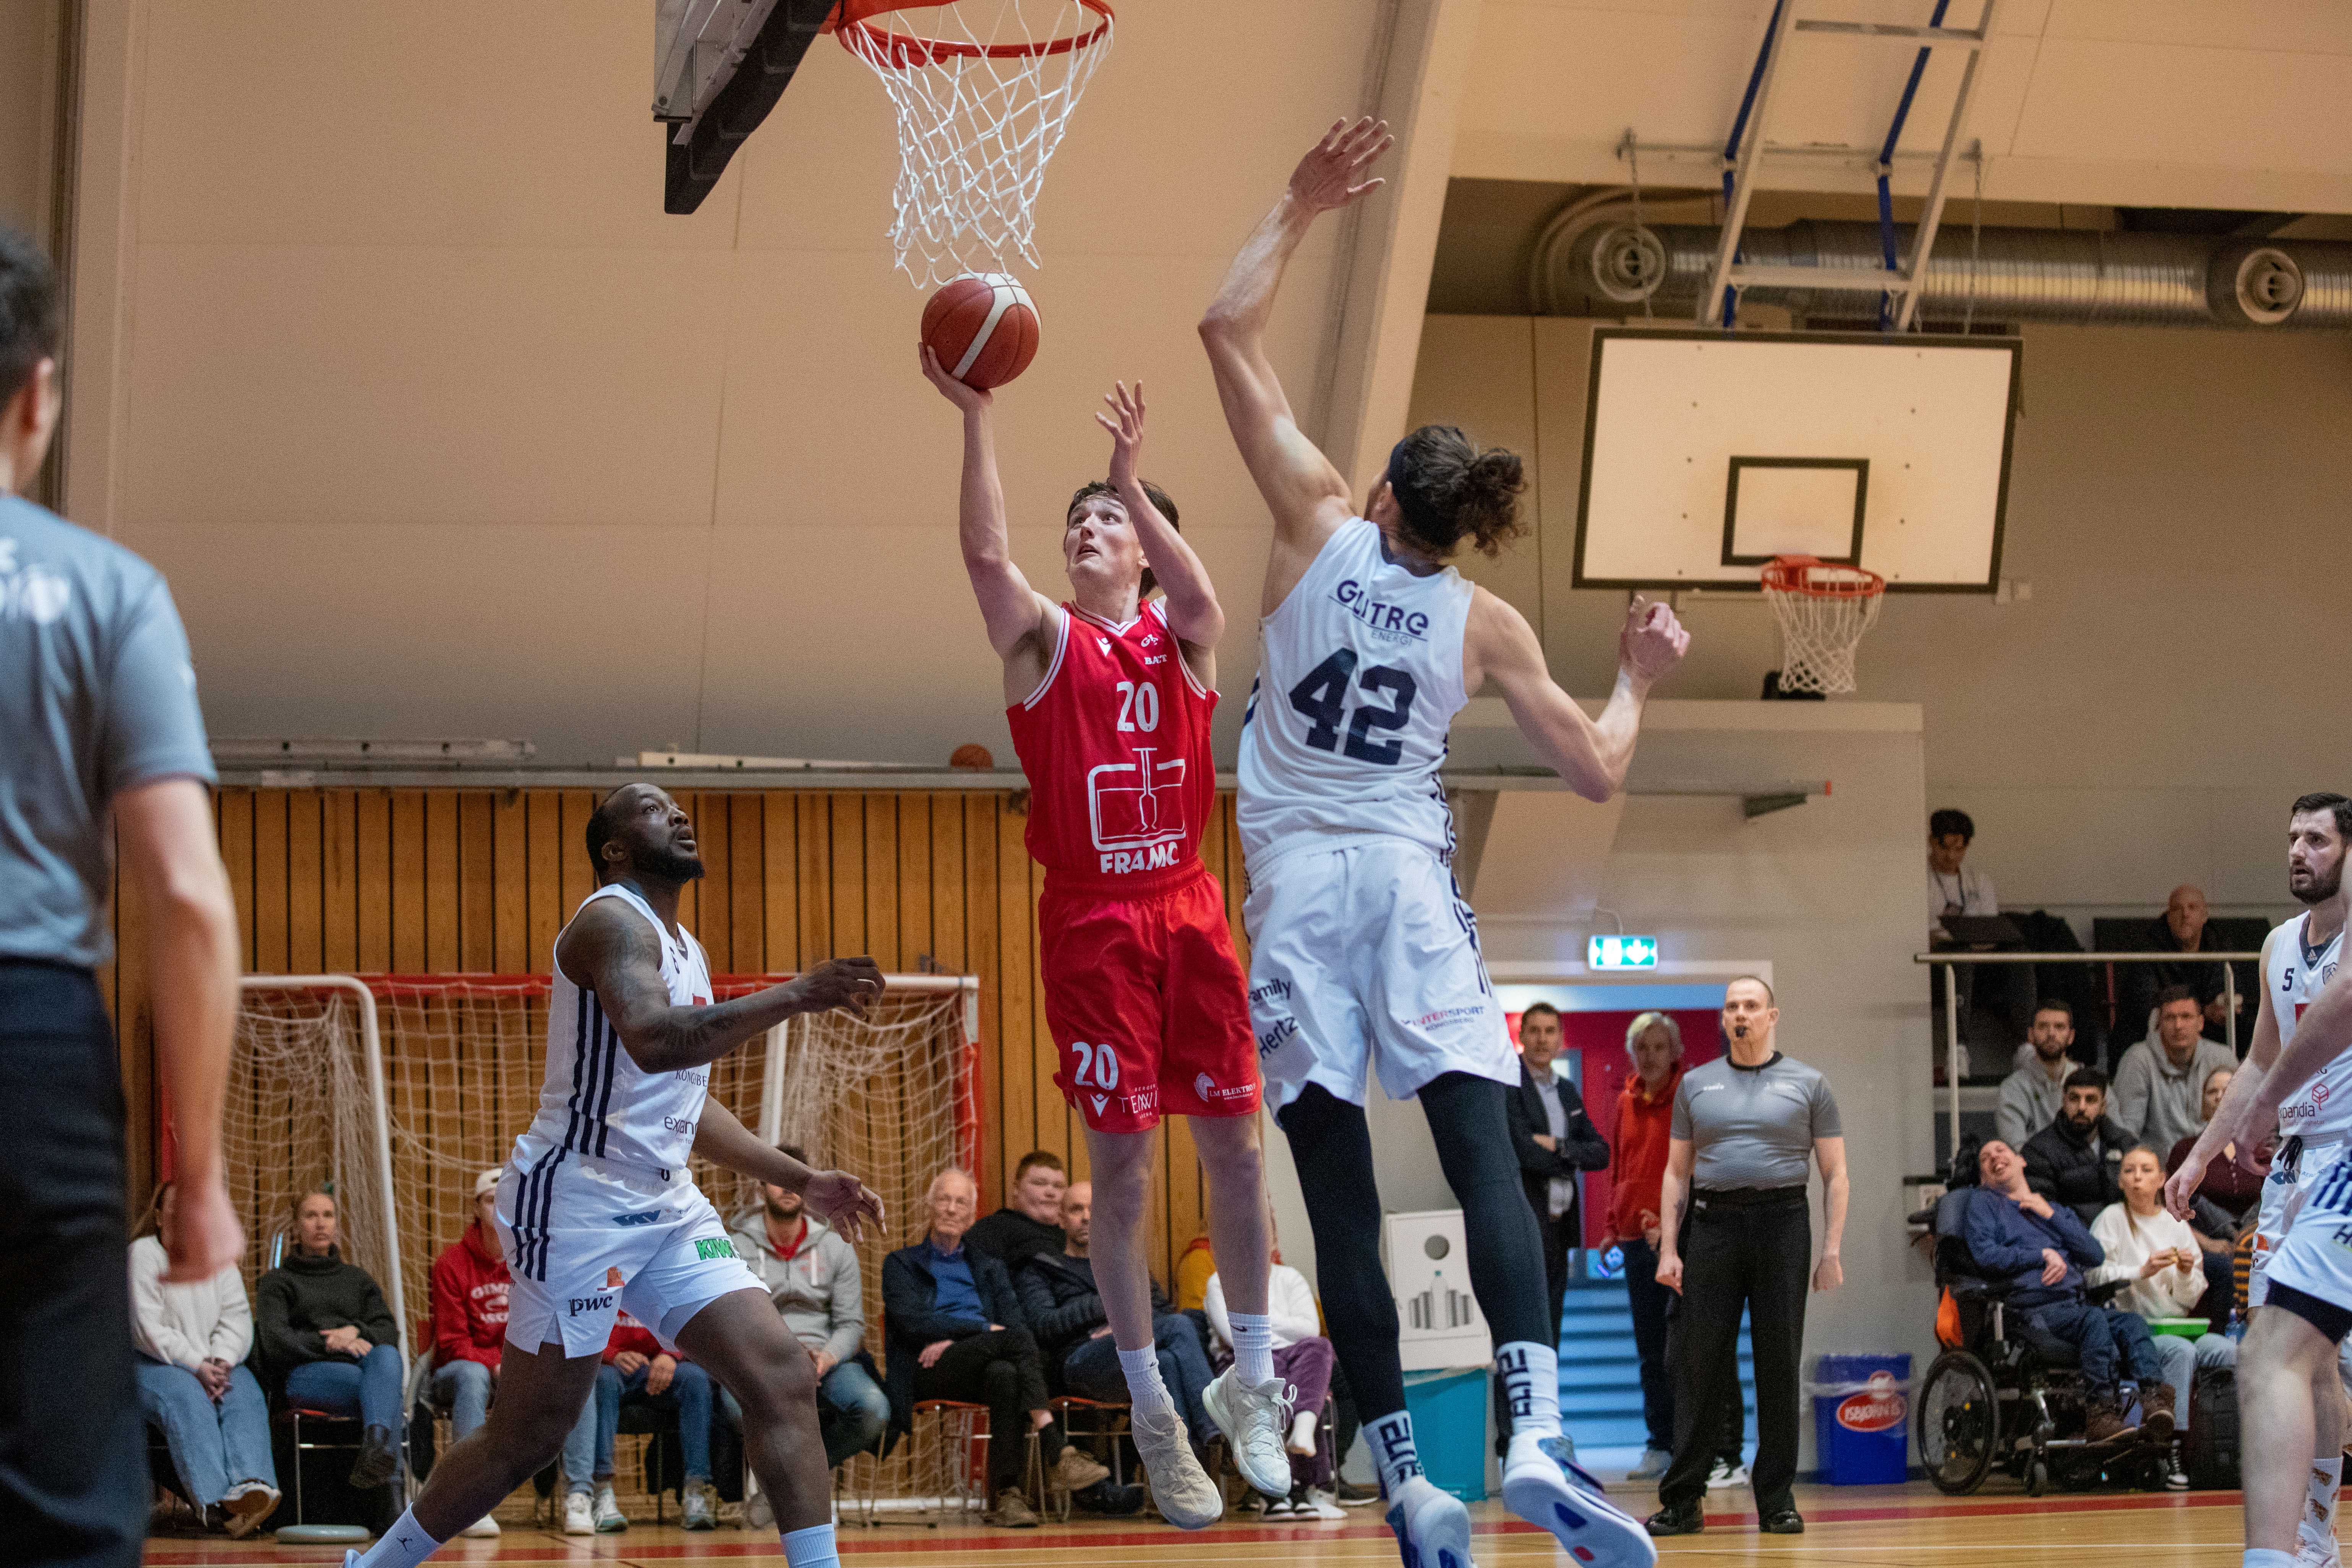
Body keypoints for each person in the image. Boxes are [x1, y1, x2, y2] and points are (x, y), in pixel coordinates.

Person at [1201, 115, 1682, 1568]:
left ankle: (1404, 1474)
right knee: (1481, 1149)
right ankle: (1534, 1435)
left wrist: (1298, 201)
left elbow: (1226, 330)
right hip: (1408, 884)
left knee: (1333, 1186)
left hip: (1293, 895)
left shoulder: (1311, 519)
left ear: (1379, 495)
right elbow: (1596, 771)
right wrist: (1636, 680)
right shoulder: (1486, 623)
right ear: (1457, 522)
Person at [920, 345, 1283, 1529]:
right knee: (1121, 1169)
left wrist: (1130, 479)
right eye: (1074, 515)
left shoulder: (1183, 637)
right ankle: (1151, 1408)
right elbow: (983, 553)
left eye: (1105, 518)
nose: (1084, 526)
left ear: (1138, 539)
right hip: (1089, 921)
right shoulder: (1042, 643)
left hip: (1185, 904)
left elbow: (1208, 600)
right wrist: (978, 418)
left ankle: (1257, 1377)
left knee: (1234, 1144)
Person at [343, 782, 889, 1568]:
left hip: (666, 1200)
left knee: (778, 1373)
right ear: (615, 848)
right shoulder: (608, 920)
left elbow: (684, 1105)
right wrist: (798, 993)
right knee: (530, 1431)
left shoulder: (686, 947)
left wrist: (799, 1176)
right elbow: (656, 1040)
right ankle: (377, 1565)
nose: (679, 814)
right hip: (577, 1199)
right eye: (655, 808)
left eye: (678, 806)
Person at [0, 223, 245, 1568]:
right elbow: (190, 903)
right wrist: (193, 1175)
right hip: (34, 1048)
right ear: (39, 392)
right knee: (62, 1490)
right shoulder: (106, 592)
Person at [2166, 793, 2352, 1568]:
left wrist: (2267, 1101)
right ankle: (2310, 1529)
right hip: (2296, 1163)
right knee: (2304, 1357)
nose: (2296, 850)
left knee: (2268, 1351)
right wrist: (2201, 1152)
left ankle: (2272, 1555)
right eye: (2289, 837)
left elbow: (2342, 1004)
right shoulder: (2278, 943)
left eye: (2314, 837)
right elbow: (2254, 1058)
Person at [1647, 978, 1846, 1538]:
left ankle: (1777, 1499)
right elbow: (1674, 1172)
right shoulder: (1696, 1083)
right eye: (1731, 1005)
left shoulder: (1808, 1083)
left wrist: (1830, 1248)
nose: (1740, 1013)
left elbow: (1835, 1173)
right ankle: (1683, 1499)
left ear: (1771, 1015)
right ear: (1723, 1017)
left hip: (1783, 1222)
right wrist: (1668, 1246)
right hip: (1710, 1226)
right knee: (1697, 1364)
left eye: (1750, 1005)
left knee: (1777, 1362)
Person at [882, 1169, 1110, 1527]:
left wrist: (966, 1338)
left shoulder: (988, 1267)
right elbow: (915, 1324)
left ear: (972, 1214)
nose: (951, 1209)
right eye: (944, 1199)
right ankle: (1056, 1447)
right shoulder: (901, 1264)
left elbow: (1015, 1322)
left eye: (961, 1202)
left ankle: (1007, 1495)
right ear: (929, 1205)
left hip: (982, 1362)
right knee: (1015, 1342)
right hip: (928, 1367)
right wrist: (981, 1329)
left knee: (1005, 1372)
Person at [1605, 1014, 1743, 1487]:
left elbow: (1701, 1168)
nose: (1649, 1056)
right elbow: (1620, 1169)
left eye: (1659, 1047)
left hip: (1682, 1242)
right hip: (1632, 1243)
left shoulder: (1692, 1096)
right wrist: (1611, 1224)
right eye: (1642, 1047)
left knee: (1702, 1345)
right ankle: (1660, 1443)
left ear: (1674, 1051)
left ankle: (1726, 1452)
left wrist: (1672, 1228)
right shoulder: (1624, 1101)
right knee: (1651, 1351)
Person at [1967, 1140, 2172, 1444]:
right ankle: (2100, 1414)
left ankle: (2155, 1402)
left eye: (2000, 1151)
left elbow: (2094, 1255)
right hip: (2032, 1309)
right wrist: (2042, 1254)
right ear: (1983, 1177)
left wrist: (2050, 1214)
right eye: (1985, 1157)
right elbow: (1985, 1255)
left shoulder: (2052, 1208)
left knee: (2131, 1324)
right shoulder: (1982, 1204)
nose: (1994, 1157)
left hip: (2074, 1305)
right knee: (2094, 1321)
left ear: (2021, 1161)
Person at [429, 1167, 587, 1539]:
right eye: (490, 1199)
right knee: (472, 1374)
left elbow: (547, 1327)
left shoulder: (532, 1261)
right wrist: (495, 1363)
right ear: (477, 1208)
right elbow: (452, 1341)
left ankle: (580, 1495)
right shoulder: (451, 1264)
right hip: (461, 1372)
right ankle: (469, 1502)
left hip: (517, 1368)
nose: (501, 1206)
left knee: (577, 1372)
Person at [1012, 1182, 1185, 1511]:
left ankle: (1171, 1484)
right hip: (1082, 1363)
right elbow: (1044, 1325)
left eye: (1094, 1209)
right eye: (1076, 1209)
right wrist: (1113, 1306)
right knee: (1178, 1329)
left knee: (1173, 1350)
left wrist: (1121, 1327)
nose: (1087, 1217)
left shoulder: (1129, 1265)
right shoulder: (1040, 1268)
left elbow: (1161, 1309)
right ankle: (1206, 1443)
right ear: (1061, 1218)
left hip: (1138, 1362)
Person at [727, 1147, 889, 1475]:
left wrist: (825, 1359)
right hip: (761, 1361)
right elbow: (734, 1321)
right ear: (762, 1187)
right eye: (777, 1179)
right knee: (734, 1408)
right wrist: (777, 1356)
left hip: (825, 1362)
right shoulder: (735, 1246)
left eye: (795, 1179)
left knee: (874, 1408)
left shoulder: (836, 1246)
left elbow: (851, 1324)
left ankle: (797, 1481)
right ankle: (796, 1489)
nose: (787, 1187)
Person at [128, 1181, 278, 1537]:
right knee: (185, 1395)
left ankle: (251, 1492)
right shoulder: (142, 1254)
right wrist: (197, 1365)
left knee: (245, 1391)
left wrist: (222, 1361)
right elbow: (146, 1328)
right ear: (160, 1218)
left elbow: (237, 1316)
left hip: (214, 1365)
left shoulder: (217, 1258)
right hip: (150, 1364)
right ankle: (216, 1506)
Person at [2091, 1145, 2237, 1487]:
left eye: (2145, 1169)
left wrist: (2186, 1272)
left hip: (2177, 1323)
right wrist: (2140, 1271)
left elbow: (2189, 1296)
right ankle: (2170, 1449)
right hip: (2133, 1329)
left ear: (2161, 1179)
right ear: (2120, 1180)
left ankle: (2231, 1446)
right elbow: (2092, 1277)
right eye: (2129, 1170)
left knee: (2230, 1351)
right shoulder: (2111, 1218)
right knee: (2180, 1352)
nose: (2137, 1176)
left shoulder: (2175, 1224)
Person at [256, 1190, 405, 1490]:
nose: (320, 1223)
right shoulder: (277, 1282)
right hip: (307, 1374)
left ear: (337, 1224)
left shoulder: (357, 1279)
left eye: (328, 1215)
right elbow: (275, 1340)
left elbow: (388, 1328)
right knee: (386, 1393)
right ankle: (391, 1493)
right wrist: (327, 1343)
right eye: (311, 1216)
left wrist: (356, 1331)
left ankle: (375, 1447)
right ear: (297, 1227)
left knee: (388, 1355)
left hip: (364, 1368)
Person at [1203, 1219, 1344, 1519]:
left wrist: (1258, 1322)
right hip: (1239, 1362)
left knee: (1319, 1347)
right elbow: (1235, 1337)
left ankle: (1302, 1435)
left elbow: (1310, 1328)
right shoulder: (1219, 1281)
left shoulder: (1290, 1277)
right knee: (1273, 1367)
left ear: (1273, 1241)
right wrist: (1283, 1327)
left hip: (1294, 1357)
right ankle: (1286, 1490)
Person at [1506, 1001, 1610, 1374]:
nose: (1542, 1038)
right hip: (1525, 1220)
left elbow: (1600, 1152)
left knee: (1552, 1327)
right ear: (1521, 1036)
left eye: (1550, 1031)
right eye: (1534, 1030)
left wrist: (1559, 1145)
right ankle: (1513, 1429)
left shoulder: (1566, 1090)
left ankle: (1546, 1412)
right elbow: (1523, 1151)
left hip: (1559, 1224)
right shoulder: (1508, 1085)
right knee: (1520, 1328)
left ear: (1561, 1038)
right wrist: (1569, 1153)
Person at [593, 1311, 720, 1528]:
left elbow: (686, 1322)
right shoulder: (595, 1280)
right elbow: (579, 1330)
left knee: (696, 1378)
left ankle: (696, 1491)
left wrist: (670, 1354)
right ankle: (602, 1492)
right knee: (602, 1380)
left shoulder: (664, 1278)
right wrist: (612, 1355)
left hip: (662, 1364)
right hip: (615, 1367)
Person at [2118, 885, 2255, 1048]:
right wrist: (2204, 1012)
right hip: (2158, 1039)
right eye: (2177, 909)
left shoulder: (2221, 946)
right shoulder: (2147, 949)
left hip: (2211, 1036)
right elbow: (2146, 1009)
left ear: (2205, 916)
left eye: (2193, 908)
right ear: (2168, 917)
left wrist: (2225, 1009)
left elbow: (2230, 992)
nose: (2185, 915)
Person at [2114, 987, 2238, 1149]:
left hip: (2212, 1162)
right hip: (2158, 1168)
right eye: (2170, 1018)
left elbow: (2241, 1121)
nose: (2179, 1026)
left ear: (2200, 1023)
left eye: (2186, 1017)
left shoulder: (2222, 1057)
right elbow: (2127, 1132)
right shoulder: (2138, 1059)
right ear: (2159, 1023)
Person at [2021, 1069, 2132, 1224]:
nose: (2081, 1107)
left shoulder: (2124, 1143)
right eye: (2074, 1099)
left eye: (2091, 1100)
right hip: (2071, 1242)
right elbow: (2044, 1217)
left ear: (2103, 1107)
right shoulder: (2038, 1151)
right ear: (2064, 1102)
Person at [964, 1151, 1069, 1275]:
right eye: (1040, 1183)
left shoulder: (1075, 1237)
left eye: (1058, 1186)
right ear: (1016, 1189)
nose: (1051, 1193)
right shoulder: (992, 1229)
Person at [1999, 1002, 2086, 1148]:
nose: (2052, 1034)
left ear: (2071, 1037)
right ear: (2031, 1035)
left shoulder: (2091, 1084)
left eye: (2060, 1027)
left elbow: (2120, 1139)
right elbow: (2016, 1149)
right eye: (2043, 1027)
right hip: (2035, 1170)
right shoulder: (2013, 1088)